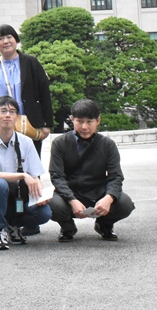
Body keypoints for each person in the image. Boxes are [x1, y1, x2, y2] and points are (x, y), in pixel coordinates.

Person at [48, 99, 135, 242]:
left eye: (90, 121)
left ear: (98, 121)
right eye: (79, 121)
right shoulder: (59, 143)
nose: (84, 126)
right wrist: (71, 199)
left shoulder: (108, 144)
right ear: (72, 120)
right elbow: (57, 176)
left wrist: (109, 197)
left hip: (98, 192)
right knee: (51, 204)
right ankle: (67, 227)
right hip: (71, 192)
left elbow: (116, 176)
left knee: (125, 204)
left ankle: (104, 225)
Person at [0, 96, 53, 250]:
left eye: (12, 112)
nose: (7, 115)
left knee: (44, 213)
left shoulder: (26, 141)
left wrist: (40, 194)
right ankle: (0, 229)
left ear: (17, 117)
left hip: (20, 196)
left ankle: (13, 226)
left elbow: (35, 174)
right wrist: (22, 175)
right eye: (3, 111)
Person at [0, 24, 54, 154]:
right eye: (1, 38)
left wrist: (47, 124)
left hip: (29, 125)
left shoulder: (31, 63)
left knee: (30, 166)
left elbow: (44, 93)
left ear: (16, 40)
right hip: (0, 126)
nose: (6, 41)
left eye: (9, 37)